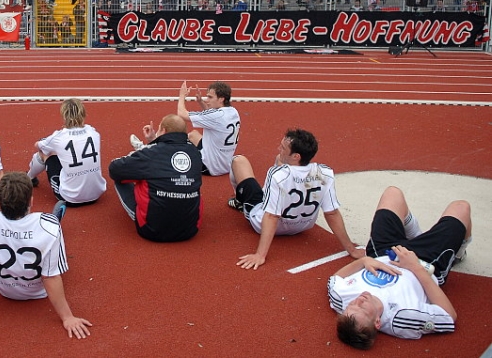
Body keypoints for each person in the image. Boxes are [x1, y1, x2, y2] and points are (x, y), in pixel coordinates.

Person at [0, 172, 91, 339]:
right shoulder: (51, 229)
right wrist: (67, 317)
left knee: (47, 231)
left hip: (5, 291)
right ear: (31, 201)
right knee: (50, 230)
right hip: (39, 290)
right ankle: (52, 220)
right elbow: (51, 277)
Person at [328, 186, 472, 349]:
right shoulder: (402, 318)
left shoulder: (341, 301)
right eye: (362, 307)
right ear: (377, 322)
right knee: (462, 207)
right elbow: (448, 315)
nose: (359, 300)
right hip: (425, 261)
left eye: (352, 305)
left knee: (392, 193)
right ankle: (458, 254)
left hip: (384, 252)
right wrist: (415, 267)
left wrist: (364, 262)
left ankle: (416, 236)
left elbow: (334, 280)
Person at [228, 128, 363, 270]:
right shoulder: (325, 173)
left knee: (239, 161)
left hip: (266, 224)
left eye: (283, 147)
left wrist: (260, 255)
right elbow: (332, 213)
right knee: (278, 163)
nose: (278, 148)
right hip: (303, 226)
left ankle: (239, 201)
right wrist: (351, 249)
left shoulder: (277, 175)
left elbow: (271, 216)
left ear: (296, 156)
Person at [109, 114, 202, 242]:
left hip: (152, 230)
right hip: (190, 229)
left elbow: (114, 169)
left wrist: (150, 147)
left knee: (125, 176)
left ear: (163, 131)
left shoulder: (151, 154)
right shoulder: (195, 153)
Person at [141, 81, 239, 177]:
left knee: (177, 146)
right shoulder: (233, 112)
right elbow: (211, 117)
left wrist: (182, 96)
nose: (207, 100)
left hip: (209, 167)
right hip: (225, 165)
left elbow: (182, 114)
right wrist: (200, 102)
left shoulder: (217, 116)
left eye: (210, 97)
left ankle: (152, 145)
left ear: (221, 99)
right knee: (193, 135)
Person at [26, 98, 106, 206]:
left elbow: (38, 145)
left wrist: (47, 143)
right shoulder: (93, 131)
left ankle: (29, 178)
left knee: (44, 153)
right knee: (63, 153)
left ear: (64, 116)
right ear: (83, 114)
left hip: (70, 198)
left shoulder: (59, 136)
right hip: (96, 194)